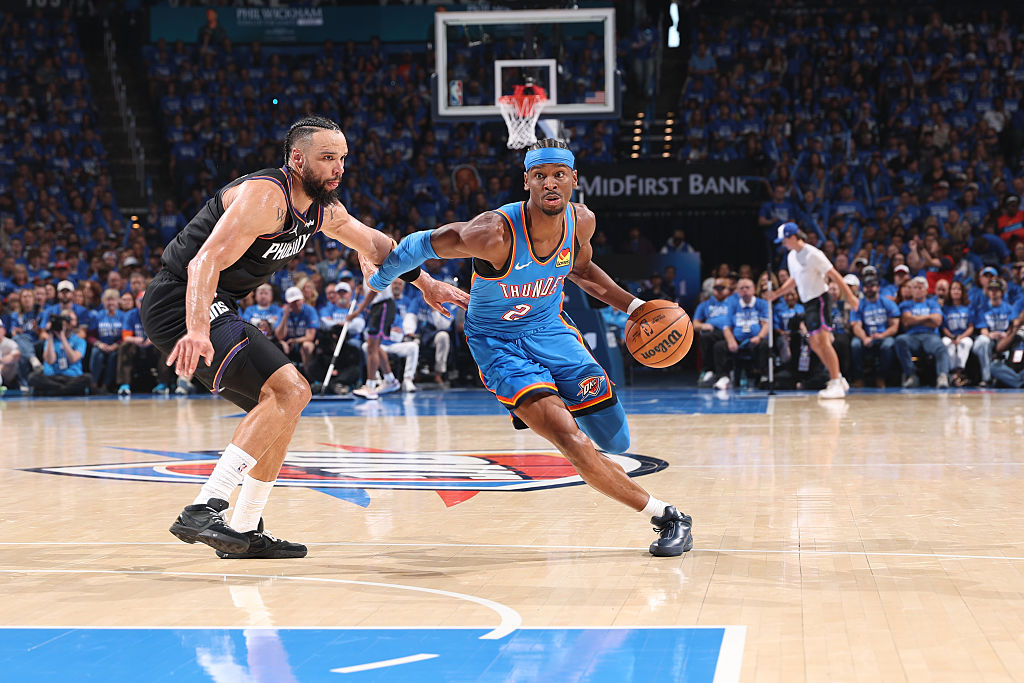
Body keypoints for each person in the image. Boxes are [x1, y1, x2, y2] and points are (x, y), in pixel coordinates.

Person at [140, 116, 467, 558]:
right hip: (181, 300)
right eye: (328, 158)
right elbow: (202, 263)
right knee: (291, 388)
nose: (338, 168)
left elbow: (376, 244)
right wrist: (197, 330)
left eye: (343, 159)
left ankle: (243, 529)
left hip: (216, 304)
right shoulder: (265, 196)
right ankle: (203, 508)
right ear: (297, 159)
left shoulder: (322, 209)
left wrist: (426, 283)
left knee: (282, 407)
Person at [364, 138, 692, 557]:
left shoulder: (582, 222)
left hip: (551, 329)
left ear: (573, 179)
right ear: (527, 182)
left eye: (558, 175)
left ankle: (545, 398)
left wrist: (634, 306)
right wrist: (382, 279)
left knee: (616, 439)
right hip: (498, 343)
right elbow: (417, 244)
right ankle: (668, 515)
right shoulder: (493, 233)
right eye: (540, 176)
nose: (550, 183)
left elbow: (582, 268)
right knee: (570, 440)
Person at [764, 222, 859, 398]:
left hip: (820, 300)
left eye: (784, 240)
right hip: (808, 303)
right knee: (814, 344)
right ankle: (838, 377)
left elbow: (835, 275)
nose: (782, 244)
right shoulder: (792, 256)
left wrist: (850, 296)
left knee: (823, 342)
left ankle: (835, 381)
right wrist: (776, 294)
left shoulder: (813, 254)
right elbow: (794, 279)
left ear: (793, 237)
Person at [712, 277, 771, 390]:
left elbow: (766, 325)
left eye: (747, 287)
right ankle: (723, 378)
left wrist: (759, 337)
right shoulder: (733, 305)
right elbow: (726, 327)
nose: (744, 290)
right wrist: (731, 341)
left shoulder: (761, 304)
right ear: (738, 291)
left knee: (765, 344)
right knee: (719, 347)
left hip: (756, 340)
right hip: (738, 340)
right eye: (741, 288)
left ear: (753, 289)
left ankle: (765, 376)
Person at [894, 277, 951, 388]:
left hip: (930, 336)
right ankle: (911, 376)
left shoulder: (933, 304)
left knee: (941, 347)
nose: (917, 290)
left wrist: (916, 319)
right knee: (900, 340)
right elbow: (907, 321)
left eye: (920, 287)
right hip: (911, 336)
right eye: (915, 287)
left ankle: (943, 377)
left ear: (926, 290)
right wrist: (929, 318)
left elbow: (937, 321)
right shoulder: (905, 305)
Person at [850, 274, 900, 387]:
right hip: (866, 337)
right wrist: (864, 338)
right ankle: (858, 378)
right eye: (866, 286)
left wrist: (882, 335)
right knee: (855, 345)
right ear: (863, 288)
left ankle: (881, 378)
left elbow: (894, 326)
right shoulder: (859, 304)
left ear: (878, 287)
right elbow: (856, 326)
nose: (869, 289)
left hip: (883, 336)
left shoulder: (887, 303)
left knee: (888, 345)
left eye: (872, 286)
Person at [972, 277, 1015, 388]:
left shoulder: (1009, 308)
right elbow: (983, 329)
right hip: (989, 339)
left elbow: (1013, 326)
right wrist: (990, 335)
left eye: (996, 290)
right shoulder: (983, 308)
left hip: (1005, 338)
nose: (993, 293)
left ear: (1001, 292)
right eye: (991, 290)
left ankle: (1006, 378)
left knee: (1013, 341)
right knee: (983, 341)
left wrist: (1006, 335)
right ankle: (986, 378)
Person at [693, 277, 732, 386]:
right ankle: (716, 374)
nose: (719, 291)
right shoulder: (705, 304)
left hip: (729, 332)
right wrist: (703, 325)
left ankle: (710, 371)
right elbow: (695, 324)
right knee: (716, 345)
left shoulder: (733, 302)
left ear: (728, 289)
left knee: (708, 339)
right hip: (712, 332)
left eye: (722, 288)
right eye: (716, 288)